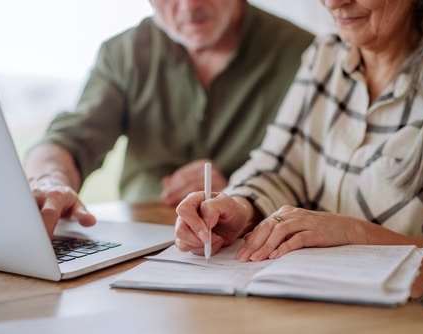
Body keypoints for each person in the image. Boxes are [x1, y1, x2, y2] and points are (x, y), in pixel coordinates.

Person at [175, 0, 423, 324]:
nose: (333, 3)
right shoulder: (325, 53)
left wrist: (355, 235)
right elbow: (277, 165)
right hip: (310, 317)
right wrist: (239, 207)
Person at [24, 0, 314, 238]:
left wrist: (240, 190)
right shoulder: (124, 52)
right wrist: (49, 180)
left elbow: (316, 181)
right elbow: (71, 139)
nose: (189, 6)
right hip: (135, 242)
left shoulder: (306, 55)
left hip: (249, 244)